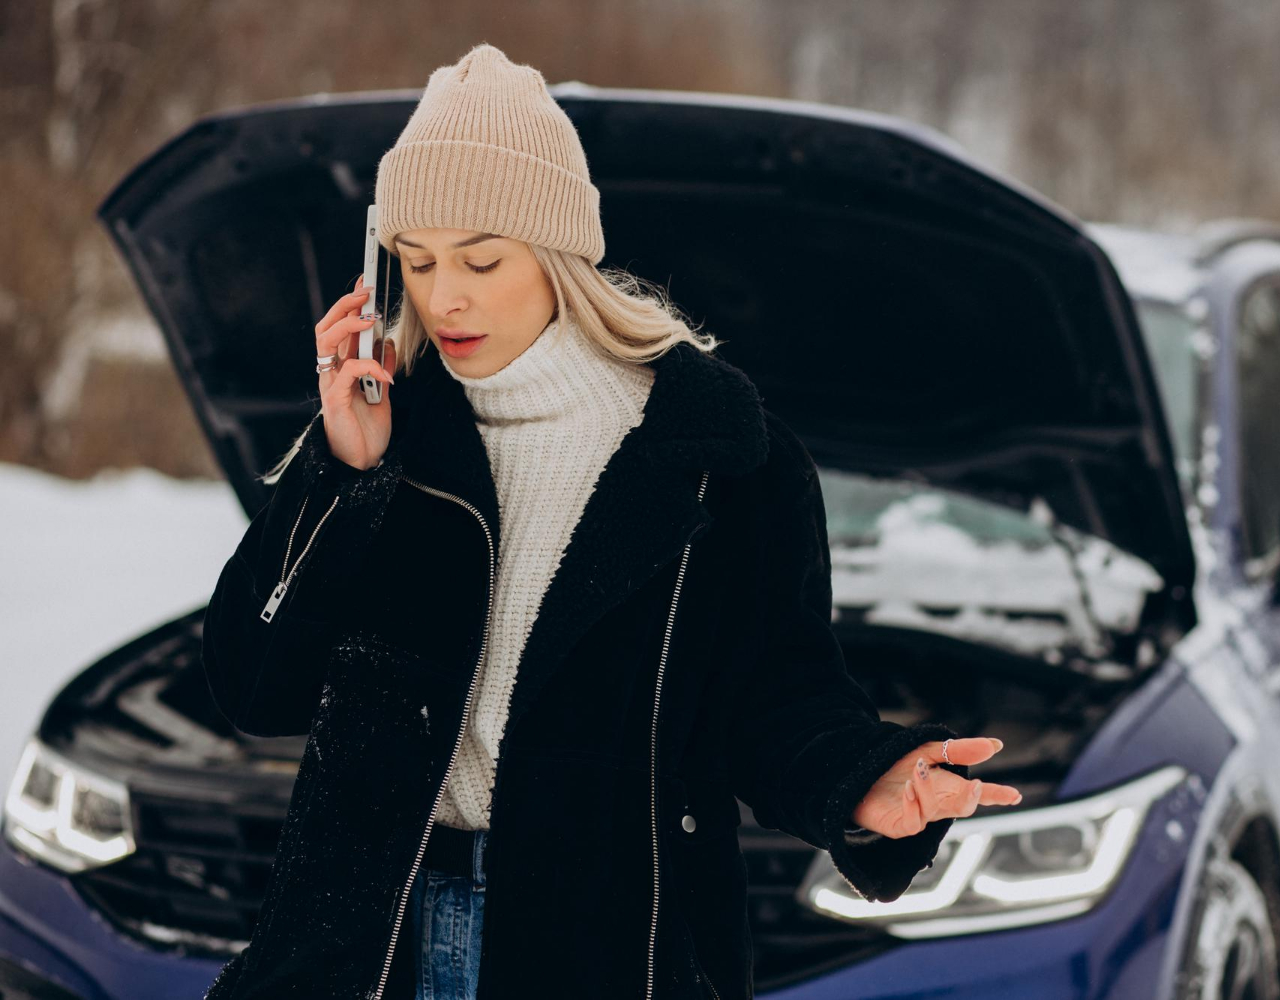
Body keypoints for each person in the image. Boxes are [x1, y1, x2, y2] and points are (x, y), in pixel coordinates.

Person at [198, 42, 1022, 1000]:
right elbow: (255, 689)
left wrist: (862, 783)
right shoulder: (388, 431)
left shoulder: (718, 455)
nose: (444, 295)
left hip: (594, 951)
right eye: (415, 261)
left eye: (481, 257)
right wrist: (341, 476)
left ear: (556, 253)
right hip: (364, 949)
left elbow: (776, 696)